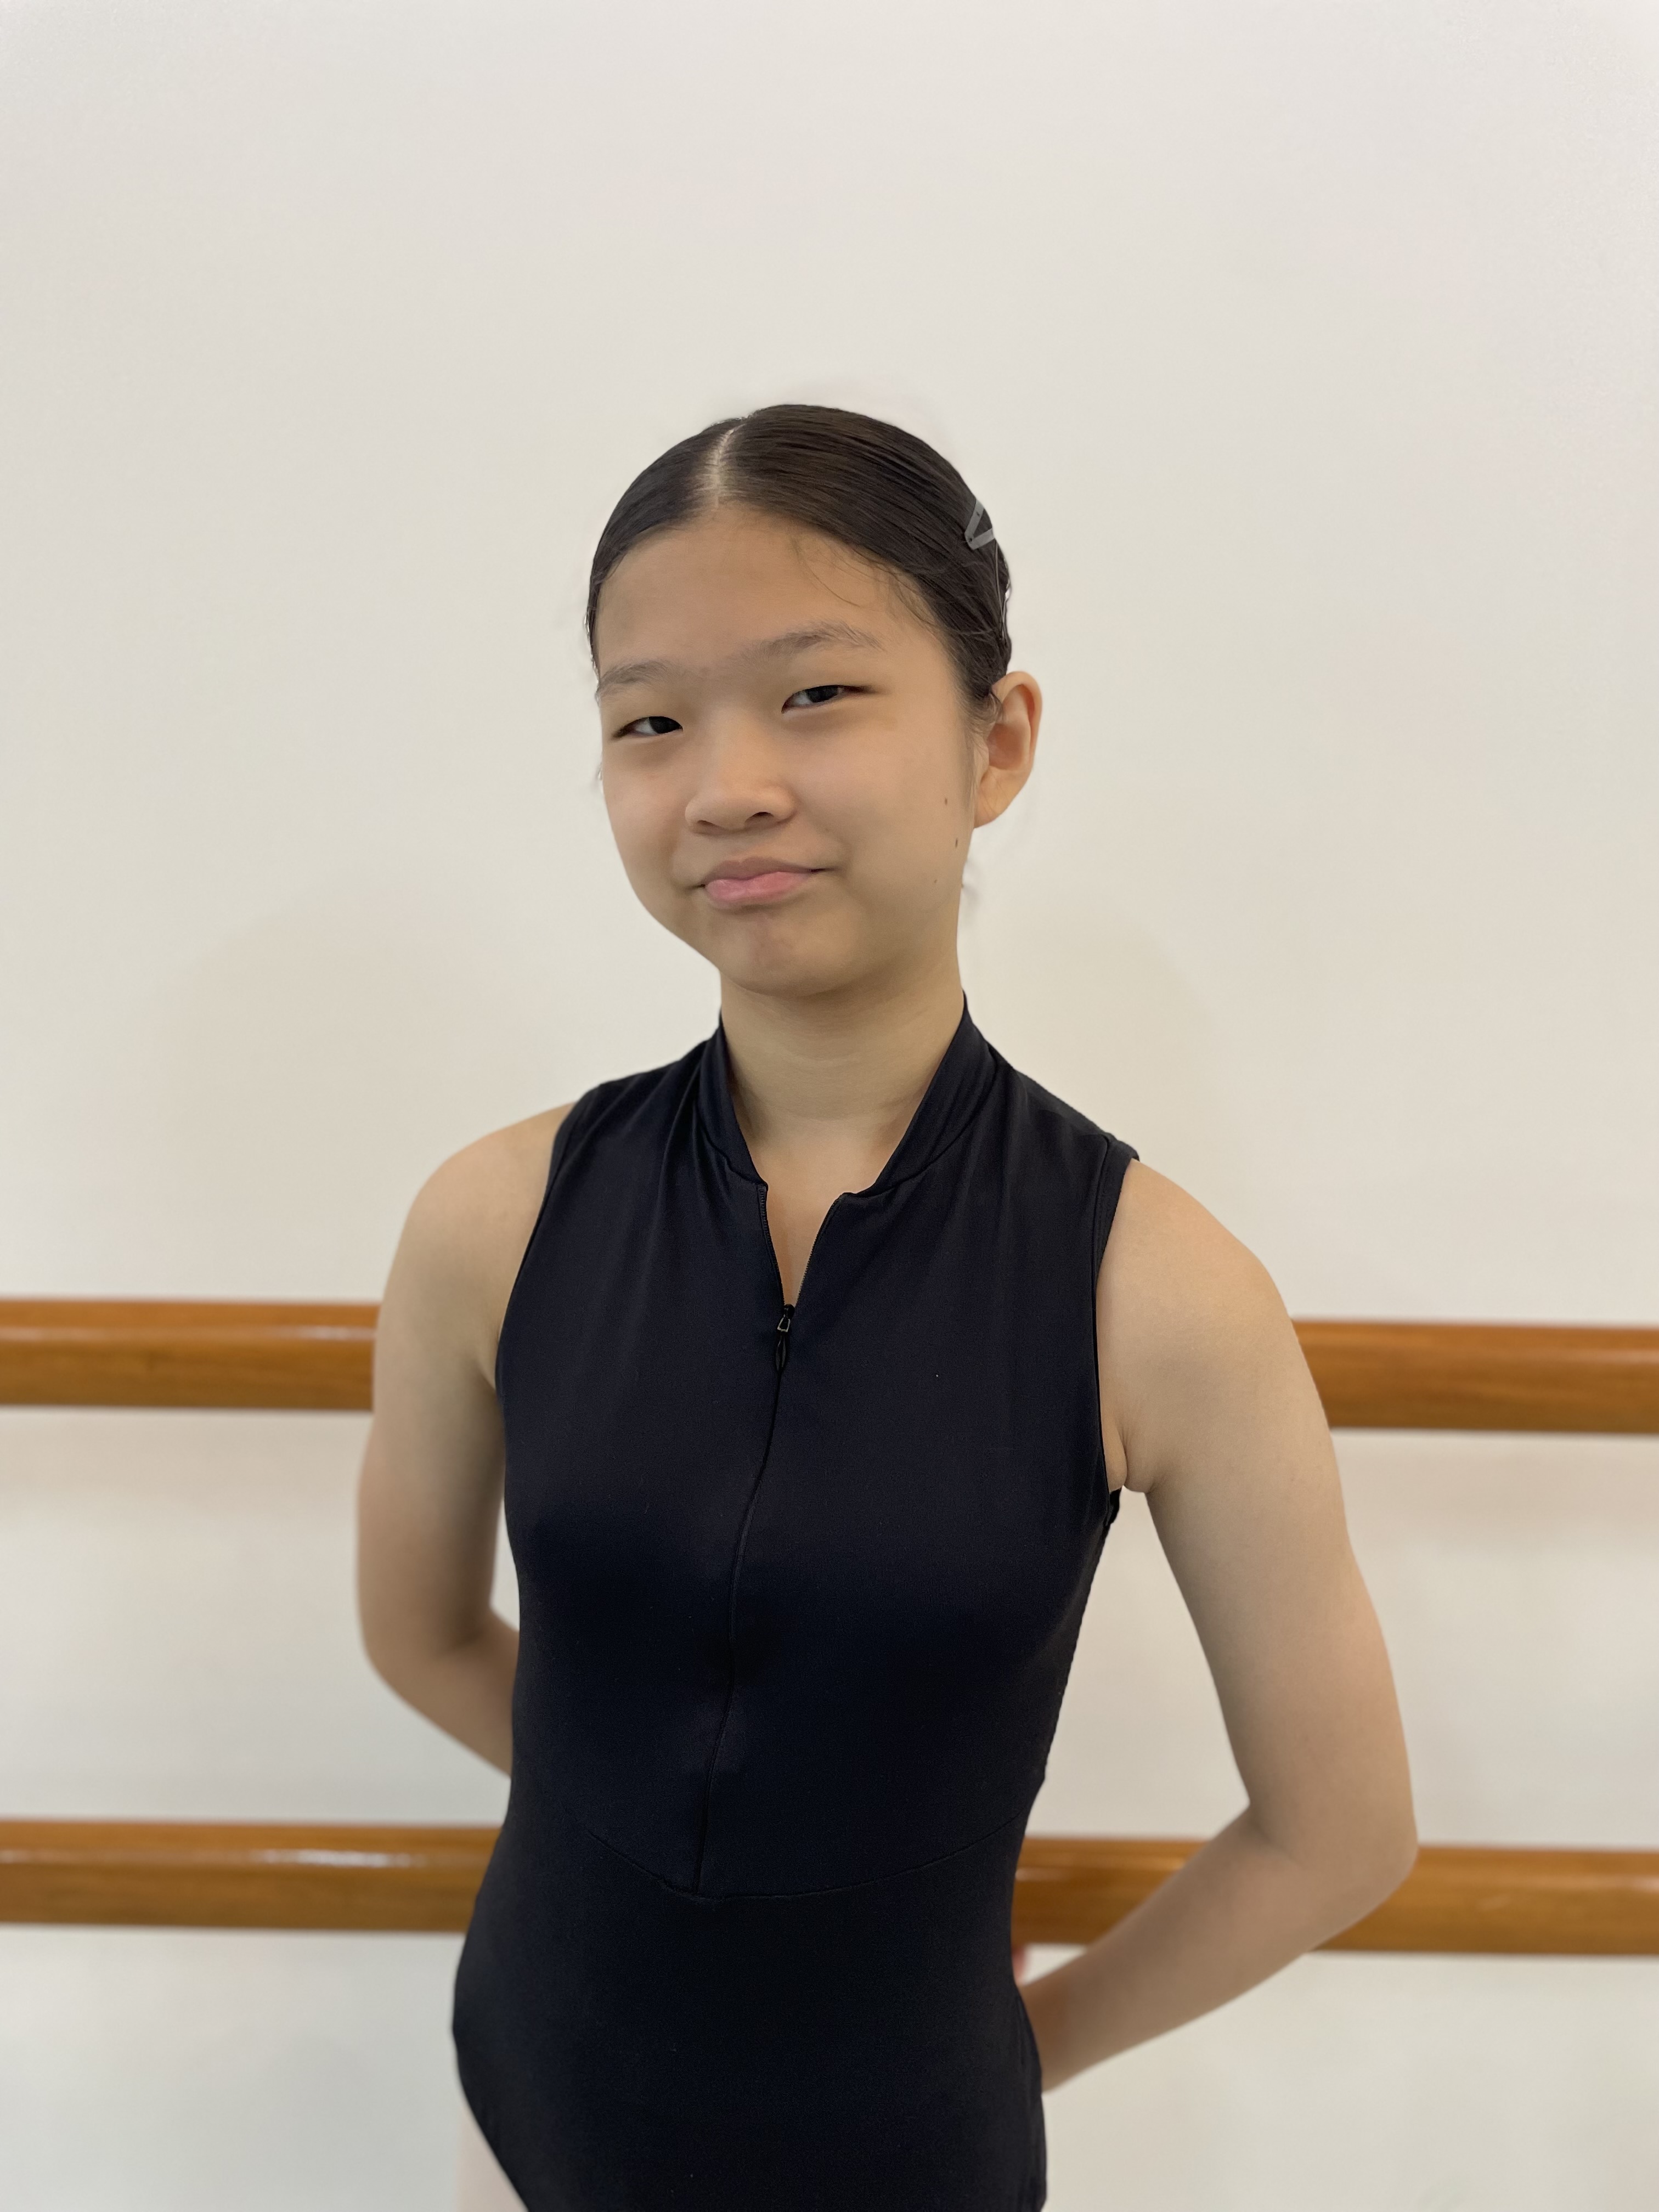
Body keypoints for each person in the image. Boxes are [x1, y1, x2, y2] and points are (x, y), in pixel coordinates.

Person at [355, 403, 1417, 2212]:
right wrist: (657, 1829)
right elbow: (422, 1634)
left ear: (996, 742)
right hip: (526, 2114)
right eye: (650, 721)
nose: (727, 784)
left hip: (910, 2166)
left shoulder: (1159, 1294)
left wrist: (1023, 2041)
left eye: (817, 695)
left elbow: (1341, 1832)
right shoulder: (496, 1217)